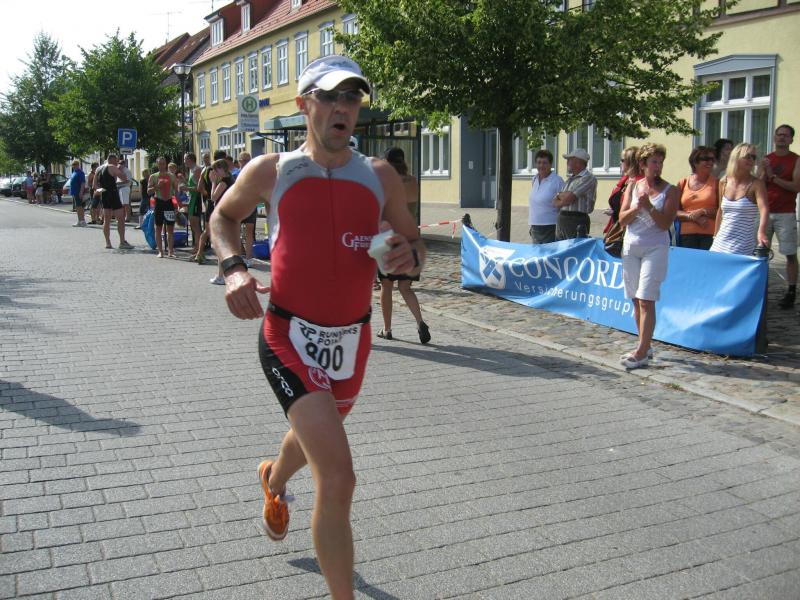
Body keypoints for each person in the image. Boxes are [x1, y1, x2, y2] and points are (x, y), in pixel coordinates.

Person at [210, 55, 424, 600]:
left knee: (314, 437)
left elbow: (414, 244)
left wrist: (408, 258)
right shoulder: (272, 170)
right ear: (304, 105)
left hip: (352, 341)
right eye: (329, 96)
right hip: (287, 335)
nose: (342, 107)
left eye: (352, 98)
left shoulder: (380, 176)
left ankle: (273, 478)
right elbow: (223, 217)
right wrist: (234, 269)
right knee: (338, 476)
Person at [617, 143, 679, 369]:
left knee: (646, 299)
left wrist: (649, 207)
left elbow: (664, 224)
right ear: (643, 164)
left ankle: (641, 352)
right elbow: (622, 220)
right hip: (631, 247)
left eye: (660, 162)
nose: (658, 166)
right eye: (654, 162)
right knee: (635, 299)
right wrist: (637, 208)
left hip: (655, 248)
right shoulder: (633, 185)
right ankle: (645, 345)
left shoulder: (670, 190)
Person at [377, 147, 431, 343]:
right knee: (405, 287)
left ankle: (387, 329)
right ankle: (420, 322)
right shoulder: (413, 182)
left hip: (390, 240)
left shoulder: (386, 183)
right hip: (411, 240)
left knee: (386, 285)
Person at [762, 124, 800, 308]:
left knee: (790, 253)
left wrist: (772, 177)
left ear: (791, 139)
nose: (782, 138)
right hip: (765, 212)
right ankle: (759, 290)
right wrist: (763, 173)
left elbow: (796, 187)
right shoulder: (766, 159)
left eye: (785, 135)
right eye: (779, 134)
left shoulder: (796, 160)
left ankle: (791, 291)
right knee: (760, 252)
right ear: (774, 137)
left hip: (786, 213)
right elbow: (759, 185)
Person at [710, 143, 769, 255]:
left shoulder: (756, 184)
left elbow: (764, 210)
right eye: (747, 156)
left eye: (754, 157)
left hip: (742, 245)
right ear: (736, 157)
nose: (751, 160)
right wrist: (715, 236)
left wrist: (761, 232)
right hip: (719, 242)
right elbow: (720, 211)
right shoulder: (723, 181)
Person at [675, 146, 718, 250]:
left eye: (712, 159)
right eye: (706, 159)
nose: (710, 162)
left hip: (709, 235)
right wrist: (693, 217)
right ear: (695, 162)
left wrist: (703, 211)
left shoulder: (717, 183)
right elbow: (674, 211)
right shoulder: (682, 183)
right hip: (686, 236)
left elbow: (722, 211)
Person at [553, 148, 598, 240]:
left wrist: (561, 197)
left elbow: (569, 198)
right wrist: (562, 197)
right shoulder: (570, 179)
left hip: (576, 219)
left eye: (569, 160)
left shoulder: (588, 178)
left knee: (574, 248)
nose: (567, 163)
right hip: (563, 219)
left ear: (578, 163)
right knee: (560, 247)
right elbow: (554, 202)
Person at [194, 150, 226, 264]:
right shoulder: (218, 171)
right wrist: (210, 193)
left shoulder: (205, 170)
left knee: (207, 230)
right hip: (216, 202)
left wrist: (206, 194)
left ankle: (199, 253)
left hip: (209, 202)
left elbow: (199, 187)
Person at [96, 154, 133, 249]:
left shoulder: (99, 169)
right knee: (120, 218)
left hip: (104, 194)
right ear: (112, 160)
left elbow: (94, 186)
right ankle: (122, 242)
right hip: (113, 193)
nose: (117, 163)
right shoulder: (112, 167)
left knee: (106, 220)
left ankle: (108, 243)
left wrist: (101, 190)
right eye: (116, 161)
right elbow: (124, 178)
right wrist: (120, 169)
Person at [527, 149, 564, 244]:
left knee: (549, 253)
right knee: (537, 252)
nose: (541, 165)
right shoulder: (534, 179)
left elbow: (563, 204)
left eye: (544, 163)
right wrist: (532, 225)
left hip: (551, 226)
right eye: (539, 162)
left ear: (550, 164)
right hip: (535, 226)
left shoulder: (557, 181)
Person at [207, 158, 234, 285]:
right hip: (228, 214)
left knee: (220, 246)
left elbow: (213, 197)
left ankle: (221, 276)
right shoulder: (230, 179)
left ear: (221, 169)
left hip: (223, 215)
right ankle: (223, 275)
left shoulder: (224, 182)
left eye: (215, 170)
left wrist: (213, 182)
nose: (214, 173)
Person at [147, 157, 180, 258]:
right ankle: (160, 251)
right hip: (159, 203)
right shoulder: (153, 176)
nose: (162, 165)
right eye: (160, 164)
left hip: (169, 203)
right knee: (158, 227)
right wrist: (157, 186)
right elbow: (148, 191)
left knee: (170, 228)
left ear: (166, 164)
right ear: (157, 165)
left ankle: (171, 251)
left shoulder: (171, 176)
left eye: (163, 163)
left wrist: (178, 203)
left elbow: (176, 190)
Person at [604, 146, 640, 233]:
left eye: (622, 160)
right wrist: (613, 210)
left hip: (631, 229)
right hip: (618, 225)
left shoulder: (639, 183)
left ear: (631, 162)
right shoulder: (625, 180)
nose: (620, 162)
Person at [237, 152, 258, 267]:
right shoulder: (235, 174)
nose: (246, 162)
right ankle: (240, 254)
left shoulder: (254, 173)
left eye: (248, 160)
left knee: (249, 231)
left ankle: (249, 258)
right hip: (238, 205)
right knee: (236, 231)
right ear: (239, 161)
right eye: (243, 160)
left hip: (251, 204)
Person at [184, 153, 203, 255]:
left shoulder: (197, 170)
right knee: (193, 224)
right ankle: (196, 247)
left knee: (196, 225)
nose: (184, 162)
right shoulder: (191, 170)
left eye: (185, 159)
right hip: (191, 200)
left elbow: (199, 188)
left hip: (196, 200)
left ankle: (198, 248)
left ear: (190, 159)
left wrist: (186, 188)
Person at [68, 160, 87, 227]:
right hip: (74, 192)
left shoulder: (80, 173)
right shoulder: (74, 172)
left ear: (78, 165)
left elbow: (83, 183)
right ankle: (80, 220)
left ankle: (82, 221)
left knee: (79, 206)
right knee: (77, 206)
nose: (74, 166)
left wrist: (81, 192)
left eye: (75, 164)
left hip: (78, 192)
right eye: (73, 165)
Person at [117, 157, 134, 223]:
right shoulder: (119, 170)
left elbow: (128, 181)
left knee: (126, 204)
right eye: (119, 163)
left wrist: (118, 183)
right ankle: (123, 217)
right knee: (122, 204)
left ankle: (127, 217)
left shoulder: (127, 171)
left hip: (125, 188)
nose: (120, 165)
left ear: (124, 164)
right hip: (120, 188)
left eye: (121, 163)